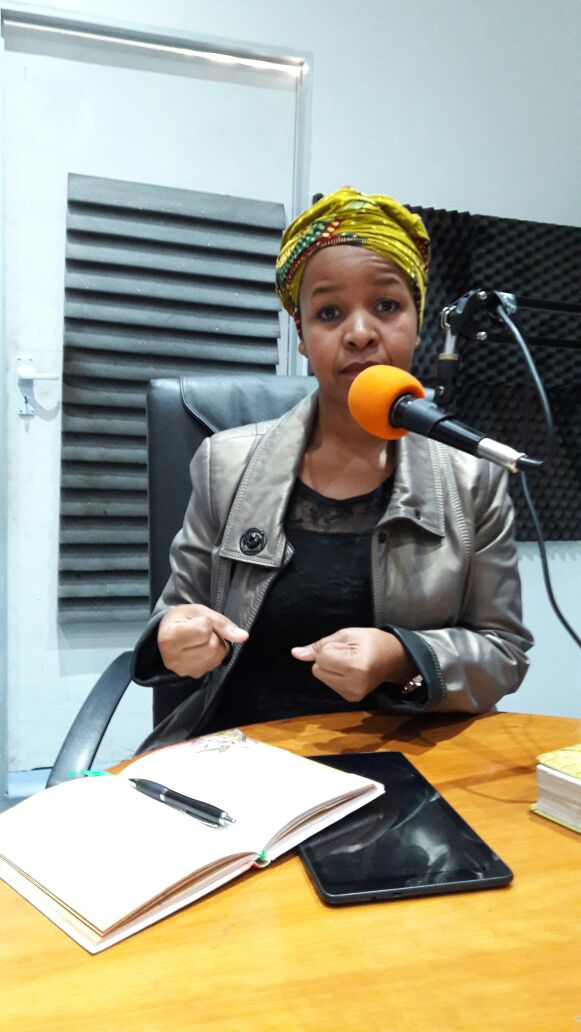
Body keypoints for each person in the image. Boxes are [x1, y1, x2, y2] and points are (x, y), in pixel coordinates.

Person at [132, 187, 533, 750]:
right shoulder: (226, 463)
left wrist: (403, 656)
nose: (360, 332)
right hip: (242, 758)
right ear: (301, 336)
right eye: (328, 313)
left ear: (418, 322)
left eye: (387, 306)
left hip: (405, 760)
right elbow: (178, 611)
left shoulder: (475, 478)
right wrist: (175, 638)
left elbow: (503, 649)